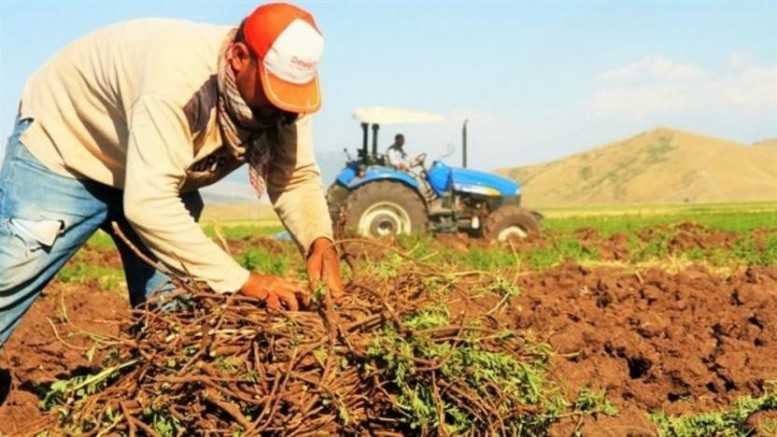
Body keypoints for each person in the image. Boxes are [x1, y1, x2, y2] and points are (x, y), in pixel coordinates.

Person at [0, 2, 345, 349]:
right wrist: (243, 280)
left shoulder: (286, 99)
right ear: (239, 57)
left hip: (155, 174)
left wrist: (319, 241)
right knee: (10, 274)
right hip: (69, 147)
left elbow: (295, 176)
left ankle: (154, 394)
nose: (281, 108)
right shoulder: (177, 82)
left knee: (173, 321)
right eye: (273, 93)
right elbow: (149, 203)